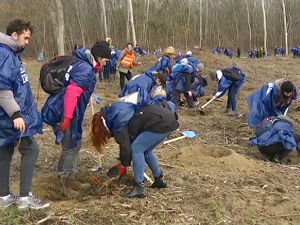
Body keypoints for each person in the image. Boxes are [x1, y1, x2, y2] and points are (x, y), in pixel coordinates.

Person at [41, 40, 111, 197]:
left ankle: (70, 178)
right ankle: (64, 184)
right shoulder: (86, 69)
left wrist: (89, 95)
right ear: (99, 57)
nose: (106, 64)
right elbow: (72, 93)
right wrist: (67, 118)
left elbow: (77, 86)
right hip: (66, 111)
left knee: (75, 143)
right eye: (106, 60)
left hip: (70, 111)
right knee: (70, 145)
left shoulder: (84, 65)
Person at [0, 19, 50, 210]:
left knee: (4, 151)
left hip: (9, 116)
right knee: (31, 150)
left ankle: (4, 196)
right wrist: (16, 114)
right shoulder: (5, 53)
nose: (28, 42)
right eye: (25, 37)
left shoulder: (11, 53)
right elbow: (2, 89)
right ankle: (25, 197)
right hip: (11, 116)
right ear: (14, 35)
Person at [90, 94, 179, 198]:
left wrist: (123, 165)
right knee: (146, 151)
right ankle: (158, 179)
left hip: (159, 122)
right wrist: (123, 161)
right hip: (167, 119)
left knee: (137, 149)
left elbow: (126, 147)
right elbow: (125, 142)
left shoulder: (116, 119)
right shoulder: (114, 111)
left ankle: (139, 187)